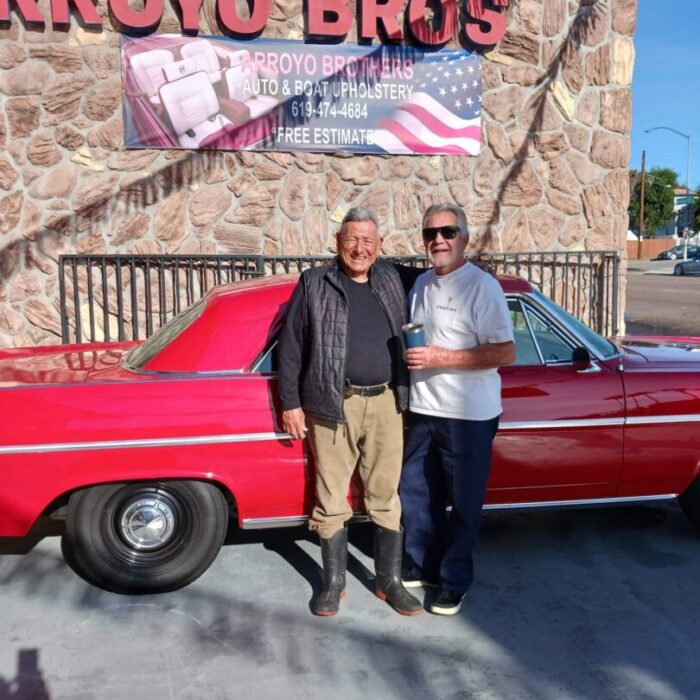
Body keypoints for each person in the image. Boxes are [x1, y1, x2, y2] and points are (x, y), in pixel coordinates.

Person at [278, 207, 422, 617]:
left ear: (380, 246)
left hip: (386, 403)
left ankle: (389, 581)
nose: (359, 248)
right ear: (337, 241)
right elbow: (291, 347)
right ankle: (333, 582)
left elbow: (443, 280)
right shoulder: (313, 282)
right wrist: (290, 402)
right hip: (331, 402)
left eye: (367, 241)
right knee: (330, 498)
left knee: (385, 496)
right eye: (351, 239)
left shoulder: (394, 278)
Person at [400, 202, 515, 616]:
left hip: (468, 417)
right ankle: (423, 565)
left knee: (464, 504)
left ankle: (454, 581)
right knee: (417, 494)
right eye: (431, 234)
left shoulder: (481, 286)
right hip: (423, 410)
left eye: (448, 232)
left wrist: (438, 358)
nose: (439, 240)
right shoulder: (422, 285)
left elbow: (505, 351)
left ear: (464, 238)